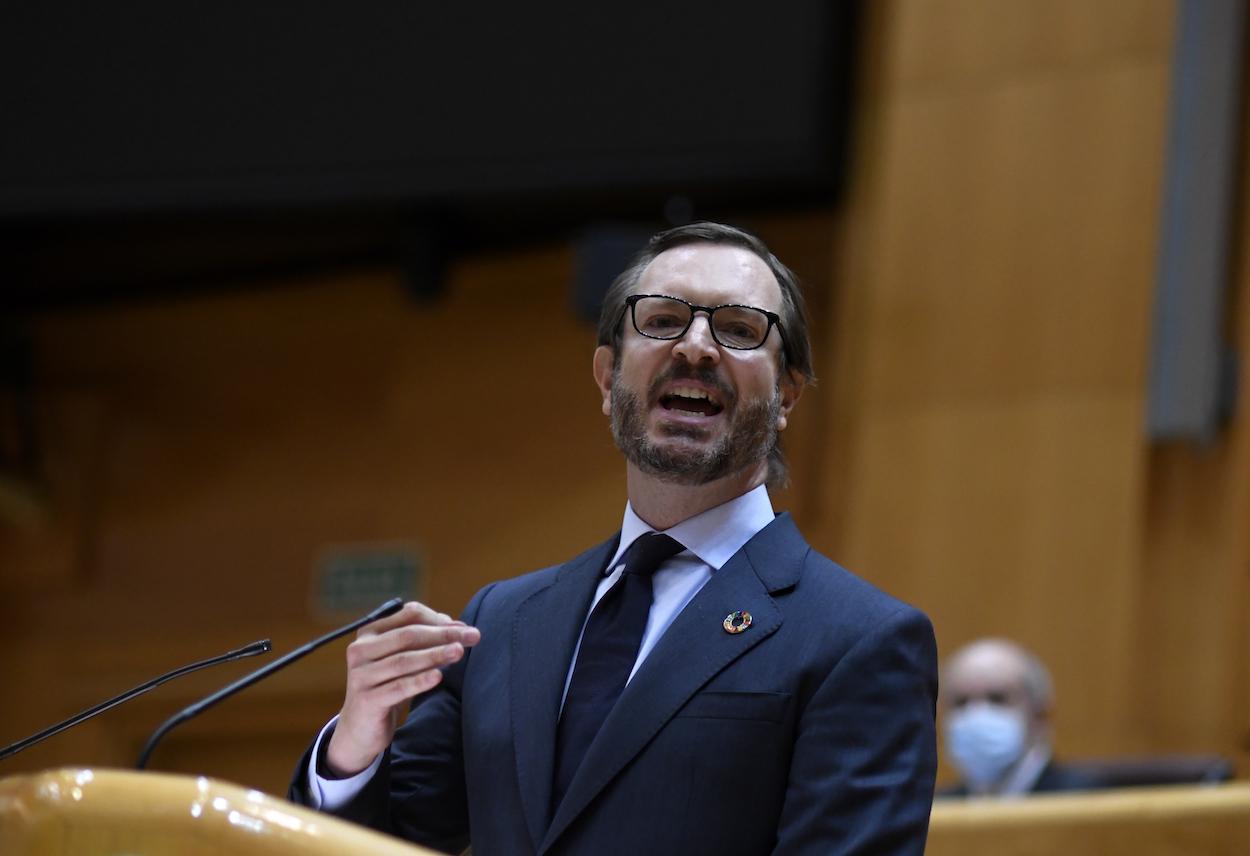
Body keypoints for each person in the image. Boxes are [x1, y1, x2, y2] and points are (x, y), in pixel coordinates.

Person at [290, 222, 939, 854]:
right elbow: (392, 837)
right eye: (661, 321)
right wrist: (353, 748)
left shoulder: (860, 640)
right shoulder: (503, 622)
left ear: (788, 395)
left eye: (739, 329)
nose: (697, 347)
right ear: (607, 378)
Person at [937, 638, 1096, 797]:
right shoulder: (935, 809)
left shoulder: (1088, 801)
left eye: (997, 699)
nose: (976, 714)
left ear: (1040, 716)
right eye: (961, 702)